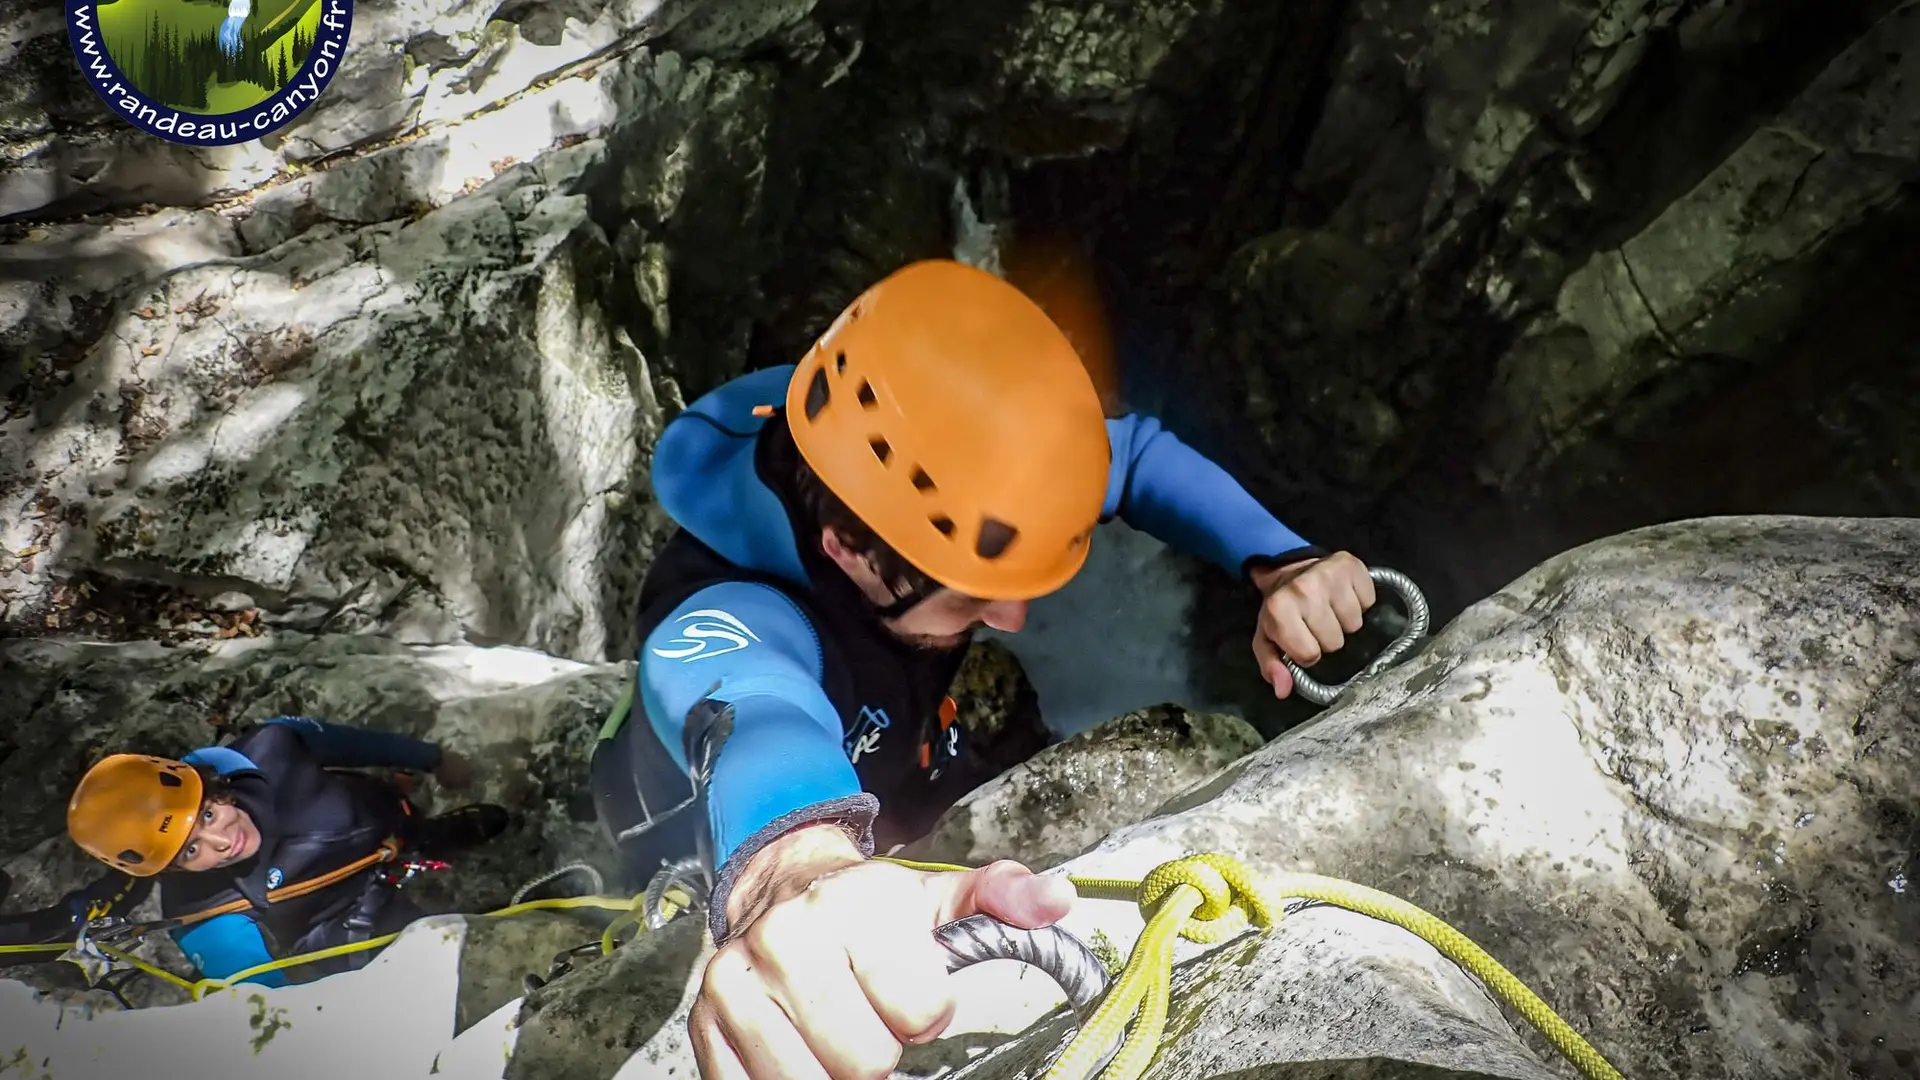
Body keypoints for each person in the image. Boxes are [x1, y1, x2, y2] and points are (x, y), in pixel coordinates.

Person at [588, 256, 1381, 1079]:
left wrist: (1280, 562)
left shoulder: (924, 462)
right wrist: (797, 872)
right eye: (974, 599)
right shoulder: (728, 611)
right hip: (691, 834)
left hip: (888, 745)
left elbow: (1131, 457)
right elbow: (751, 708)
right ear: (847, 553)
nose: (1013, 619)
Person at [54, 715, 510, 988]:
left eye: (208, 816)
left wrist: (430, 757)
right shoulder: (202, 916)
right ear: (172, 870)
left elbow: (349, 742)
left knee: (410, 830)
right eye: (191, 851)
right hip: (354, 923)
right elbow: (262, 998)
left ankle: (436, 837)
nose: (224, 842)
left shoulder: (270, 750)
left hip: (385, 824)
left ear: (214, 790)